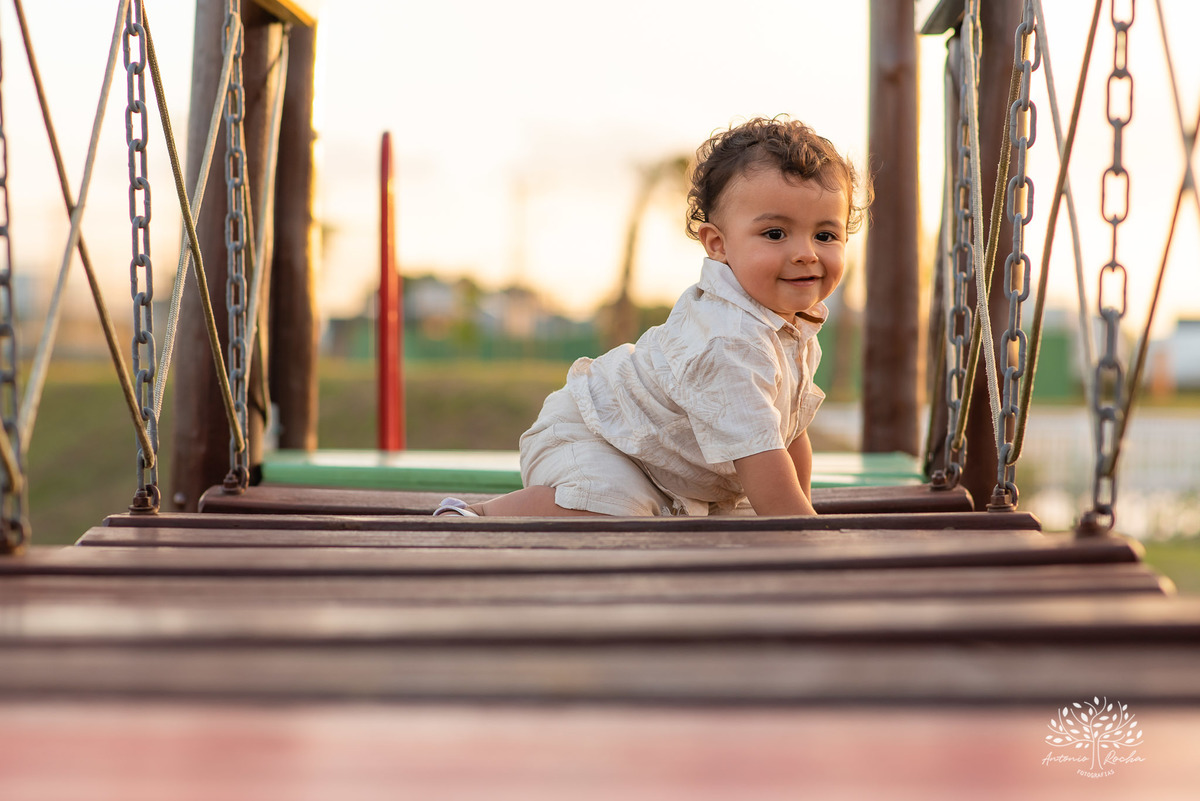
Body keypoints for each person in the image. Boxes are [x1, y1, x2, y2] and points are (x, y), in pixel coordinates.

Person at [437, 116, 870, 518]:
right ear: (718, 244)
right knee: (616, 504)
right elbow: (762, 455)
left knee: (664, 517)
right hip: (597, 439)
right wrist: (803, 532)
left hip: (655, 462)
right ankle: (480, 516)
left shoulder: (791, 323)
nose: (805, 253)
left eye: (826, 235)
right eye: (775, 233)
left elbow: (789, 432)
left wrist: (804, 510)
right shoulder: (729, 339)